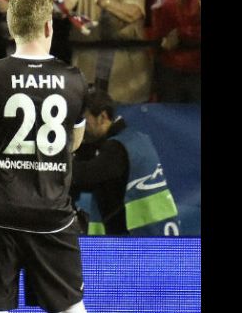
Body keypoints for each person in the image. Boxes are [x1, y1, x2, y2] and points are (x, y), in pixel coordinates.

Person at [0, 0, 88, 313]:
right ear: (49, 27)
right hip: (52, 213)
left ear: (10, 27)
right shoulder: (74, 79)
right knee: (71, 307)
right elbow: (73, 142)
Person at [71, 88, 180, 235]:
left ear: (102, 117)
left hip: (138, 238)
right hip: (158, 230)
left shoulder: (117, 148)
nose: (82, 127)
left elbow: (87, 176)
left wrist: (55, 165)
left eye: (85, 120)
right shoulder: (134, 139)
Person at [63, 0, 152, 104]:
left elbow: (134, 12)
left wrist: (106, 3)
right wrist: (56, 4)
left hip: (127, 83)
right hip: (88, 78)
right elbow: (66, 1)